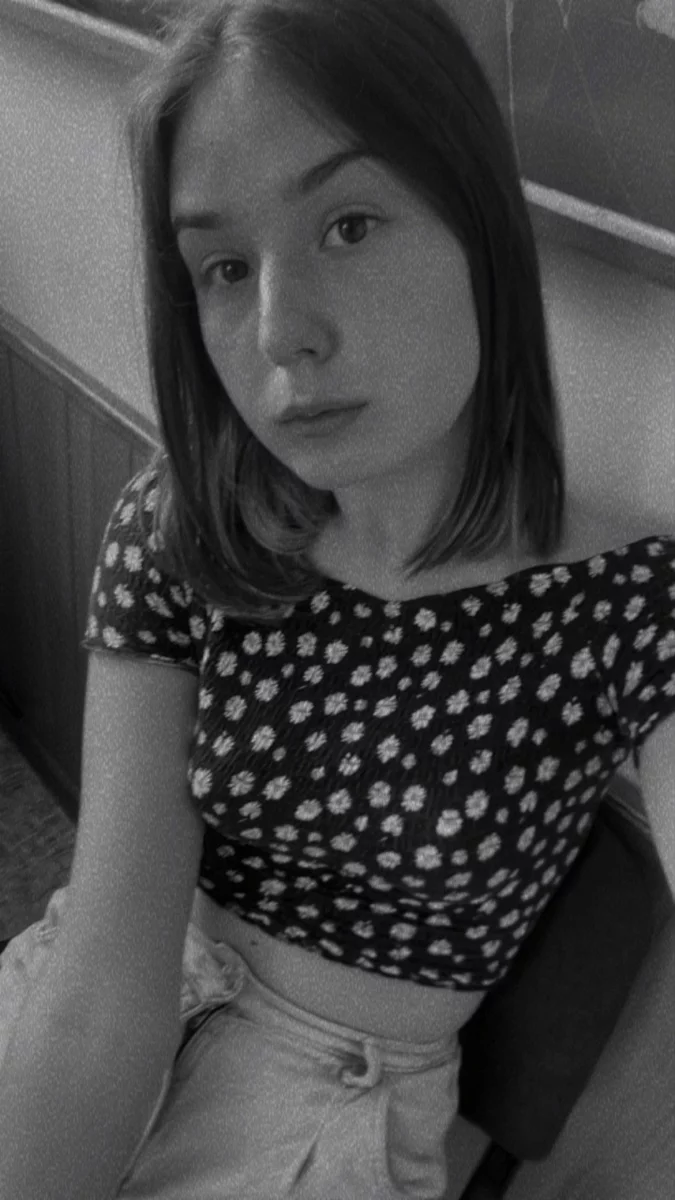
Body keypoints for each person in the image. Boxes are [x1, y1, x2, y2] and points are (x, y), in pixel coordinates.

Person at [1, 1, 674, 1198]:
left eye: (350, 225)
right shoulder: (186, 525)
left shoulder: (631, 605)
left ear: (478, 224)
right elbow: (105, 990)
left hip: (329, 1110)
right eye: (224, 267)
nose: (281, 334)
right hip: (104, 986)